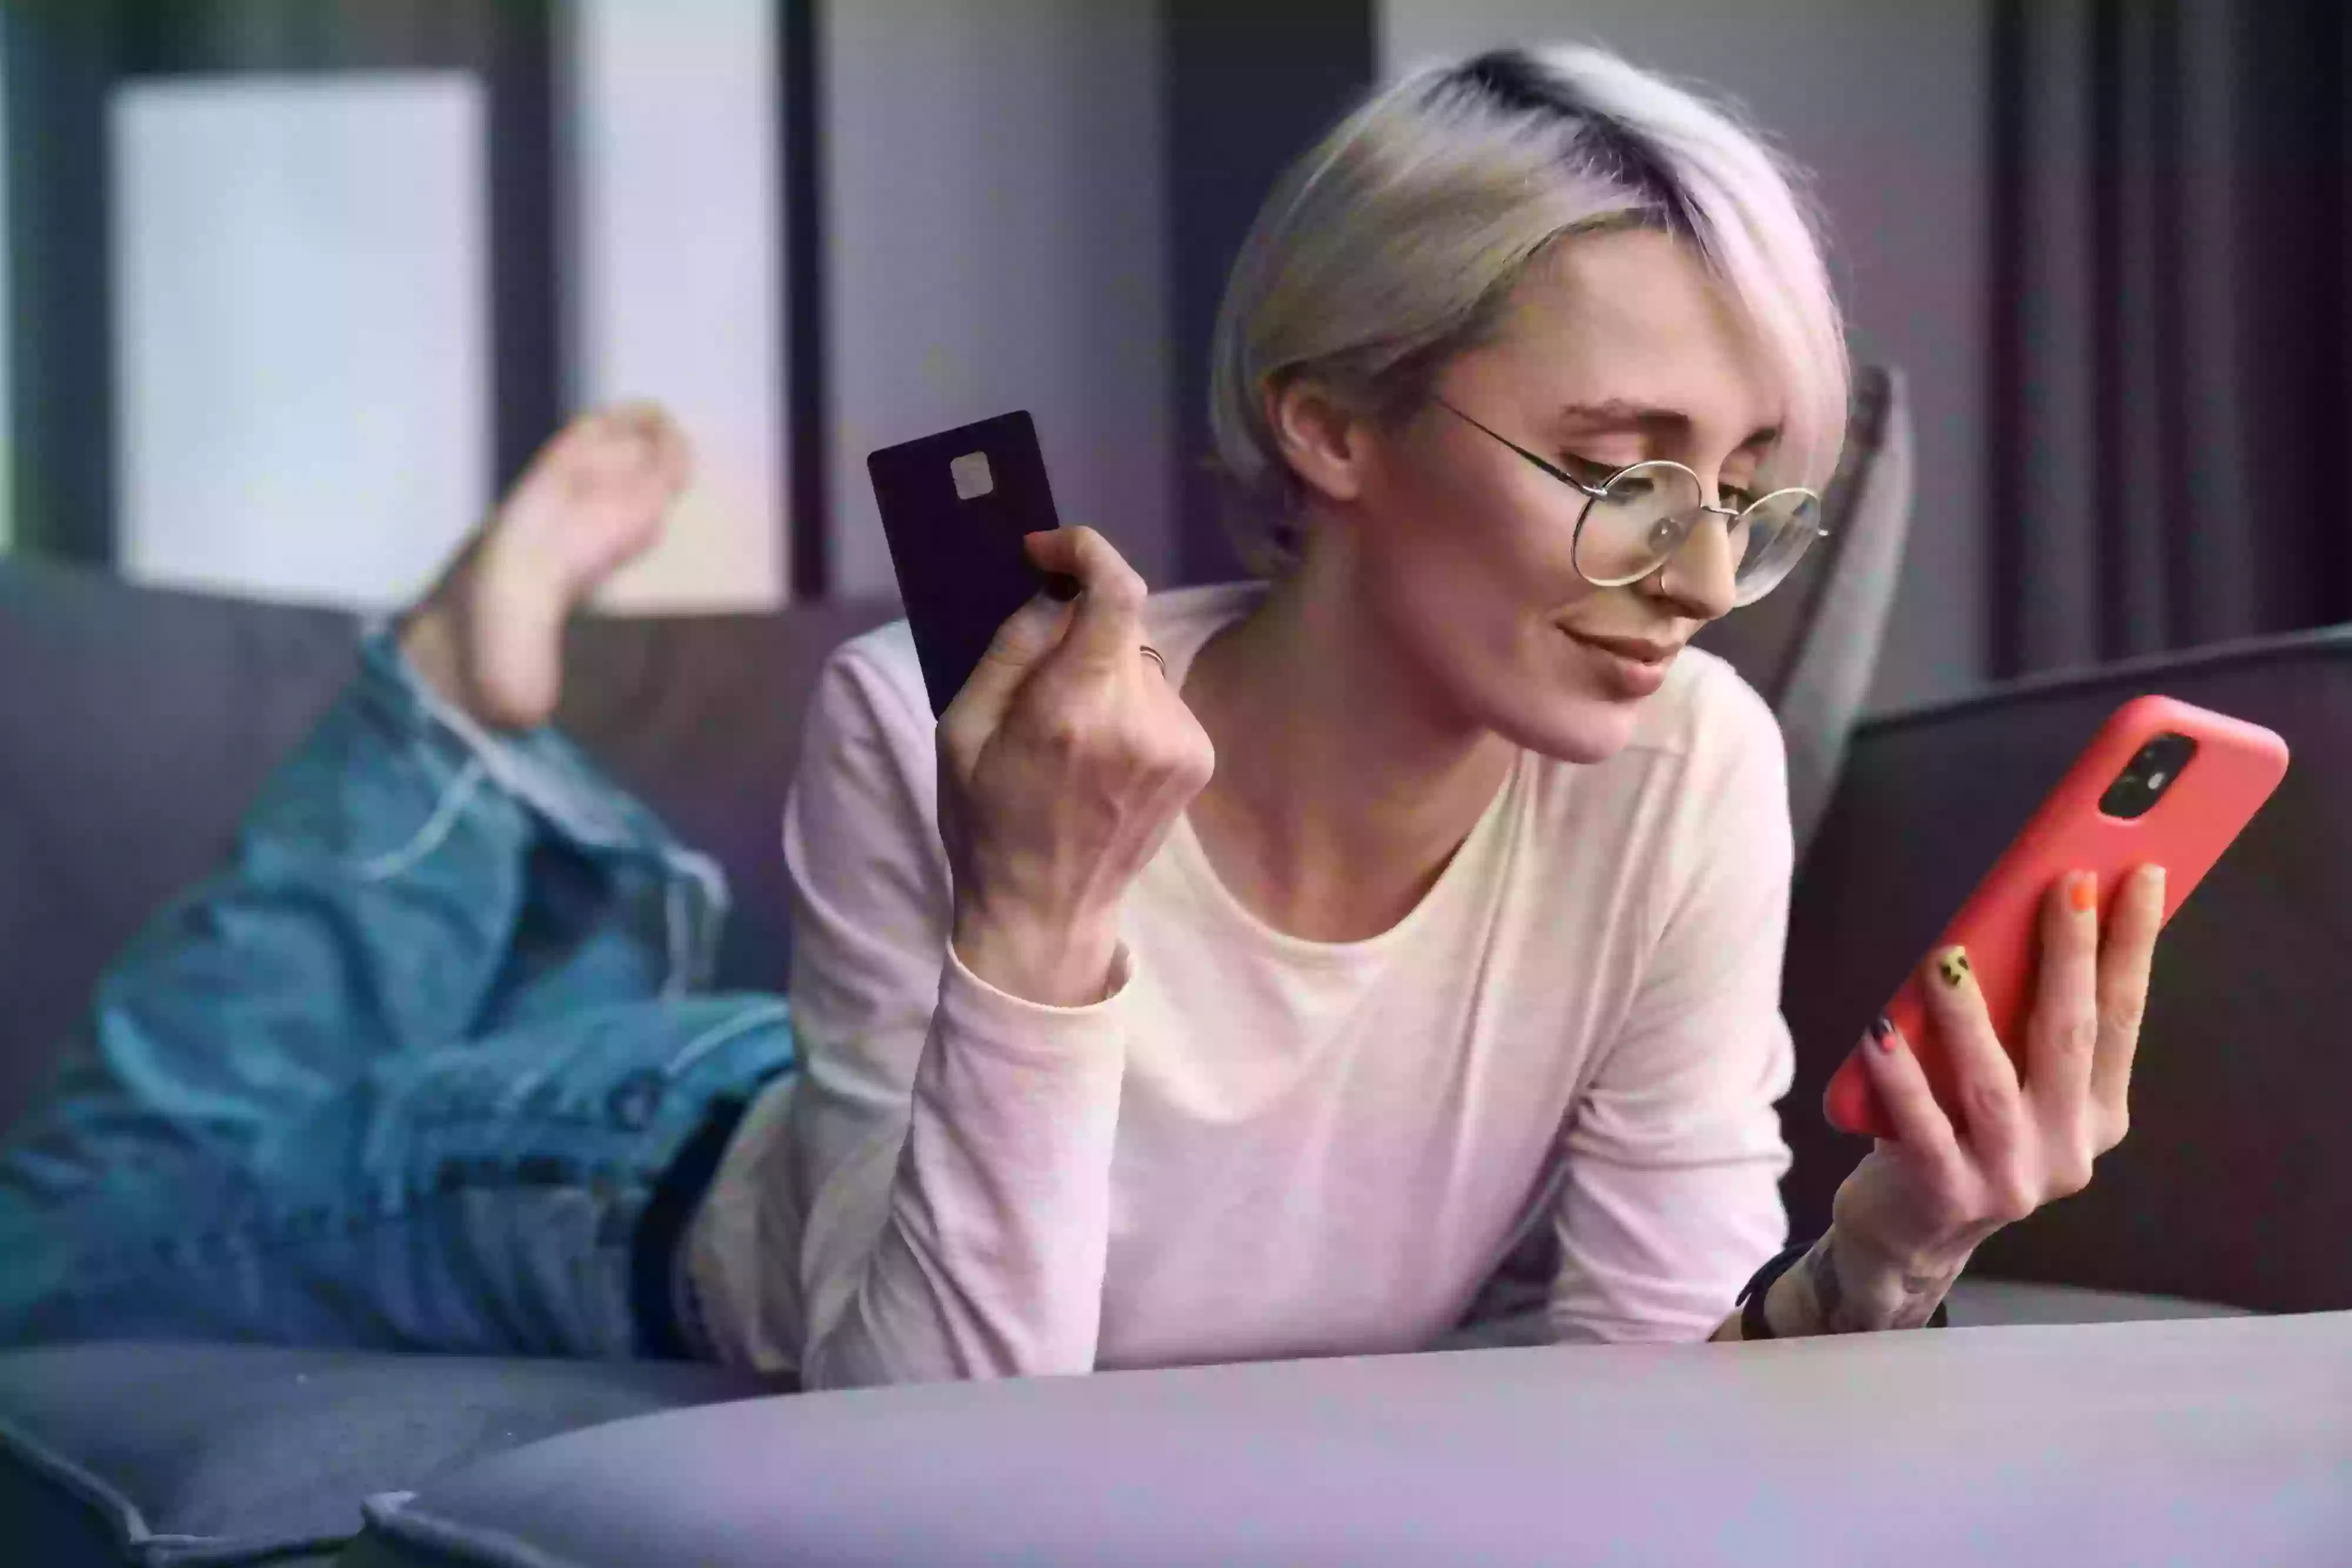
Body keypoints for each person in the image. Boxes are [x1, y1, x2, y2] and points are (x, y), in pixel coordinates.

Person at [0, 44, 2163, 1386]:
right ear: (1330, 424)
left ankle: (538, 817)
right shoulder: (928, 723)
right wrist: (1034, 914)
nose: (1697, 586)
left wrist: (1889, 1254)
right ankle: (451, 725)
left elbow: (1622, 1418)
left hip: (872, 1092)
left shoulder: (1680, 764)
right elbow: (943, 1437)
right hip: (640, 1175)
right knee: (71, 1247)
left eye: (1746, 496)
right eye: (1618, 474)